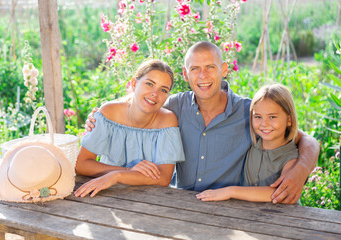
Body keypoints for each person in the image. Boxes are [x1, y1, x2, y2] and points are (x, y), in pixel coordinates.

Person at [86, 41, 319, 204]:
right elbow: (143, 101)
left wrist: (300, 171)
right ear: (186, 75)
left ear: (224, 70)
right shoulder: (174, 107)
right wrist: (100, 116)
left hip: (230, 206)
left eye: (210, 67)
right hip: (179, 202)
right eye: (195, 69)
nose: (202, 76)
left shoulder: (249, 111)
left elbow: (305, 139)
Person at [74, 59, 185, 198]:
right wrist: (128, 170)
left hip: (152, 199)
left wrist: (117, 175)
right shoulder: (109, 113)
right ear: (134, 84)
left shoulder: (167, 120)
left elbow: (163, 178)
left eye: (163, 90)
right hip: (108, 193)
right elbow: (81, 165)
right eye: (149, 84)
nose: (155, 94)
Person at [196, 83, 299, 202]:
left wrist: (230, 191)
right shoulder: (252, 142)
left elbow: (279, 192)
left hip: (284, 218)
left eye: (272, 117)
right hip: (247, 214)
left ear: (289, 120)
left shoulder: (291, 158)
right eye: (258, 117)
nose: (264, 124)